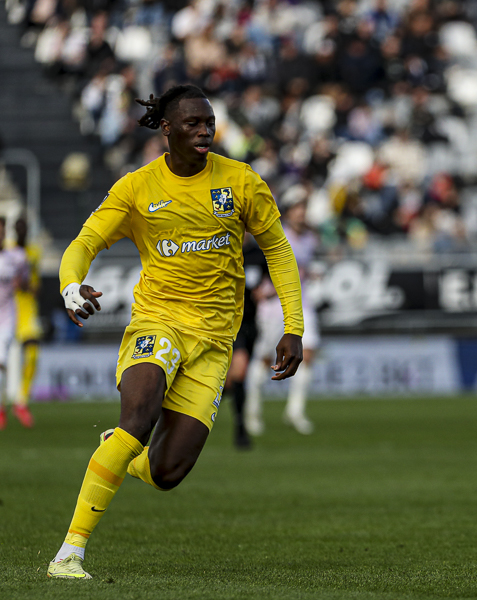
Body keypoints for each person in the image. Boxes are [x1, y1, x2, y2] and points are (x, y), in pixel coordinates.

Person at [48, 84, 304, 579]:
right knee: (138, 417)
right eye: (193, 123)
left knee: (167, 473)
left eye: (209, 121)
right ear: (167, 130)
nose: (205, 130)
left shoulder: (241, 182)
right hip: (157, 322)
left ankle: (120, 453)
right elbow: (84, 242)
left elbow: (279, 250)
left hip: (213, 343)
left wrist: (293, 327)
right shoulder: (137, 188)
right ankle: (69, 553)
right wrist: (70, 286)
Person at [245, 195, 319, 435]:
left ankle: (295, 411)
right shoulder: (278, 233)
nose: (301, 213)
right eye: (297, 208)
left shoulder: (310, 238)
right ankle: (252, 411)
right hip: (274, 305)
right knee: (266, 360)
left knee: (307, 355)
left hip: (302, 304)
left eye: (303, 208)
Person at [224, 233, 268, 449]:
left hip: (252, 322)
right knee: (240, 369)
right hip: (229, 321)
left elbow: (273, 281)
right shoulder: (222, 249)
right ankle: (241, 429)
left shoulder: (258, 255)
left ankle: (219, 395)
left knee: (233, 379)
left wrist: (265, 292)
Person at [10, 217, 42, 427]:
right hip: (9, 309)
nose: (22, 231)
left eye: (25, 227)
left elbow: (35, 285)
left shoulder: (33, 253)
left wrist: (28, 285)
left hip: (27, 310)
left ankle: (21, 401)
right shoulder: (8, 252)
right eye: (19, 227)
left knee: (32, 355)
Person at [0, 217, 28, 430]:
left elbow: (25, 281)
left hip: (7, 317)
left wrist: (22, 282)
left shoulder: (16, 257)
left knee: (1, 359)